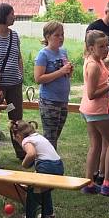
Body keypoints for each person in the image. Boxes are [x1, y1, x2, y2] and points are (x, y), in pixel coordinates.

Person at [80, 30, 109, 196]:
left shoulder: (95, 60)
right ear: (91, 48)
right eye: (101, 46)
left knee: (96, 145)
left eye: (107, 45)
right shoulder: (93, 65)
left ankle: (89, 183)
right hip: (98, 110)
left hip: (89, 110)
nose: (105, 49)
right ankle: (107, 183)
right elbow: (92, 94)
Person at [0, 3, 25, 159]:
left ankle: (21, 152)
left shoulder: (14, 35)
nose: (14, 16)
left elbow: (19, 57)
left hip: (14, 85)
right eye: (12, 14)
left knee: (15, 117)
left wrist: (20, 75)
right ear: (4, 16)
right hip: (0, 87)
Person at [11, 120, 63, 218]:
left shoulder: (26, 141)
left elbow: (31, 154)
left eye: (15, 139)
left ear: (18, 135)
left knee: (33, 191)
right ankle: (48, 216)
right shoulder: (37, 136)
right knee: (44, 189)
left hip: (47, 166)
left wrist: (24, 164)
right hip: (58, 165)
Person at [34, 21, 73, 151]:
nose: (61, 38)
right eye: (57, 35)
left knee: (55, 136)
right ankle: (47, 166)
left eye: (62, 34)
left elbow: (65, 75)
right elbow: (38, 78)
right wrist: (61, 71)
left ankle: (49, 164)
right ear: (47, 36)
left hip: (63, 100)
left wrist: (68, 71)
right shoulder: (43, 54)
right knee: (50, 138)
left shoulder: (63, 52)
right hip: (49, 101)